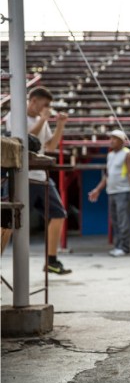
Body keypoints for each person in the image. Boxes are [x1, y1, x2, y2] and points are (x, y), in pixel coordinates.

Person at [4, 86, 72, 274]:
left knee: (58, 213)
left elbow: (50, 145)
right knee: (8, 220)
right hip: (19, 175)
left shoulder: (42, 120)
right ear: (33, 101)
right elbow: (24, 141)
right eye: (45, 105)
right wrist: (43, 119)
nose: (47, 108)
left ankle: (51, 260)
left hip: (40, 174)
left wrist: (60, 125)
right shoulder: (15, 116)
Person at [88, 130, 130, 257]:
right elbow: (107, 175)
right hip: (111, 192)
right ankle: (118, 246)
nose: (111, 141)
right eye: (110, 138)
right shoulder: (110, 155)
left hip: (123, 191)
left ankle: (124, 247)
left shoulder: (127, 154)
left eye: (114, 139)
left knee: (123, 221)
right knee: (115, 221)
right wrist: (97, 189)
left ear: (122, 141)